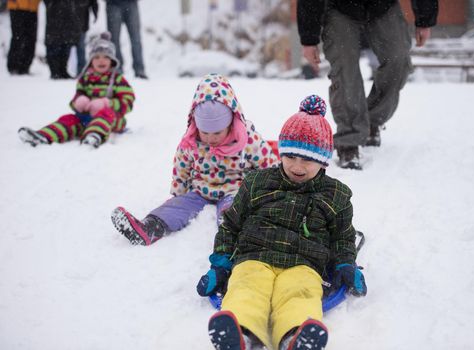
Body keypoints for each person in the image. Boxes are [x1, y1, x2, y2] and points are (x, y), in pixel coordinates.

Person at [196, 95, 367, 350]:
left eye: (307, 159)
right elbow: (231, 225)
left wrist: (345, 264)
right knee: (246, 287)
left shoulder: (336, 195)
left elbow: (343, 236)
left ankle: (294, 336)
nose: (297, 166)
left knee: (300, 293)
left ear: (322, 160)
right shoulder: (257, 183)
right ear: (282, 153)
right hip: (254, 256)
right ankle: (242, 334)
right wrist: (220, 263)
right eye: (290, 157)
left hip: (304, 263)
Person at [110, 73, 279, 246]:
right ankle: (149, 228)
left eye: (217, 133)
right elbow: (181, 169)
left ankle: (234, 233)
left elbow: (269, 164)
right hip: (200, 190)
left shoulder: (247, 140)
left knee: (234, 209)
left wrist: (270, 194)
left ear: (230, 123)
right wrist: (179, 194)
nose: (211, 138)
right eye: (204, 132)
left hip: (234, 189)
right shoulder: (191, 141)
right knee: (176, 207)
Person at [297, 0, 438, 169]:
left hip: (383, 6)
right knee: (345, 68)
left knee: (398, 61)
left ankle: (372, 120)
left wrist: (425, 19)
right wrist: (309, 38)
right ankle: (349, 138)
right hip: (339, 7)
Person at [18, 32, 135, 149]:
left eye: (106, 57)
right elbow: (76, 97)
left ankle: (94, 135)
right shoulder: (85, 79)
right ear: (91, 61)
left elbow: (128, 102)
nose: (101, 61)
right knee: (68, 119)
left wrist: (107, 103)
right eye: (97, 57)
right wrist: (78, 102)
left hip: (113, 120)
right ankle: (43, 136)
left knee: (105, 115)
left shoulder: (117, 79)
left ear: (112, 60)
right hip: (85, 118)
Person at [106, 0, 147, 79]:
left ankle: (139, 69)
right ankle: (117, 67)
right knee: (113, 39)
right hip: (113, 4)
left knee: (136, 39)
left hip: (131, 3)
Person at [43, 0, 83, 79]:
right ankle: (55, 71)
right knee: (54, 45)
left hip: (68, 15)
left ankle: (63, 70)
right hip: (54, 15)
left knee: (66, 44)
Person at [6, 0, 41, 75]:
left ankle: (25, 67)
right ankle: (14, 66)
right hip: (17, 6)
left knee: (31, 38)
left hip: (32, 7)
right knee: (18, 37)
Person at [75, 0, 98, 77]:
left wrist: (95, 13)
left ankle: (82, 71)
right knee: (68, 47)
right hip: (65, 19)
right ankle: (61, 71)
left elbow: (93, 2)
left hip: (81, 19)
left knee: (80, 47)